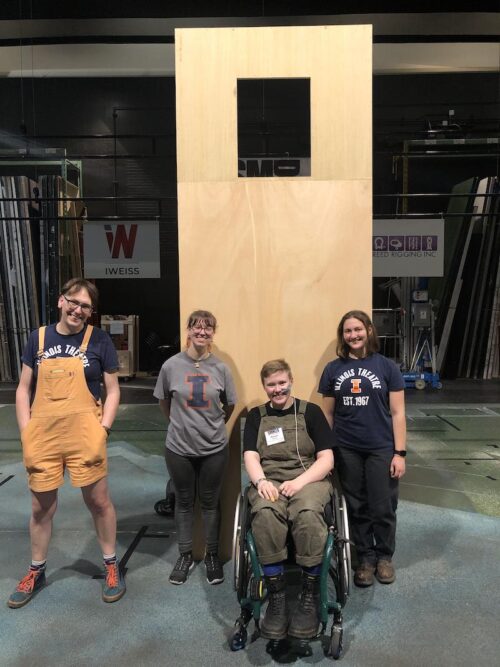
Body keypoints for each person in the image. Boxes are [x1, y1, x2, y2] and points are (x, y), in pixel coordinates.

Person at [8, 278, 124, 609]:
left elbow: (113, 390)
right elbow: (22, 388)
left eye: (86, 306)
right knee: (40, 508)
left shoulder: (99, 340)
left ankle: (111, 564)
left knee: (99, 502)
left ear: (91, 312)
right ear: (61, 301)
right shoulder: (38, 338)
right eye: (74, 301)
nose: (78, 309)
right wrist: (25, 430)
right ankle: (36, 570)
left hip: (85, 431)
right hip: (42, 434)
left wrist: (103, 428)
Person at [243, 359, 333, 641]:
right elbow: (251, 455)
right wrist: (261, 482)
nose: (277, 389)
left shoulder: (312, 412)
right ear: (264, 386)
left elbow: (327, 458)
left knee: (307, 512)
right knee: (266, 511)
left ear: (291, 380)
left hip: (308, 479)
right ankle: (277, 595)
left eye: (282, 383)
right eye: (271, 384)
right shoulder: (257, 416)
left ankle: (309, 594)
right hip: (270, 480)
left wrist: (299, 482)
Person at [319, 310, 406, 587]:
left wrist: (400, 453)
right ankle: (366, 558)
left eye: (358, 329)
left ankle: (384, 557)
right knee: (356, 505)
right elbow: (328, 415)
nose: (353, 335)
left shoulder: (386, 367)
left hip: (381, 447)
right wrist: (327, 451)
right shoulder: (333, 369)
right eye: (347, 331)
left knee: (383, 505)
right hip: (347, 448)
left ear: (369, 330)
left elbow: (398, 412)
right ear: (342, 336)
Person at [154, 310, 237, 585]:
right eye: (196, 327)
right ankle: (185, 555)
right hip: (179, 449)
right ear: (188, 331)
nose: (202, 332)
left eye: (208, 328)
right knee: (184, 502)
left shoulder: (222, 369)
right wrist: (179, 425)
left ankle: (212, 555)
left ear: (214, 332)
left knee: (211, 503)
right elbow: (164, 401)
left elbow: (231, 404)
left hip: (214, 449)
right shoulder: (170, 366)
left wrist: (212, 425)